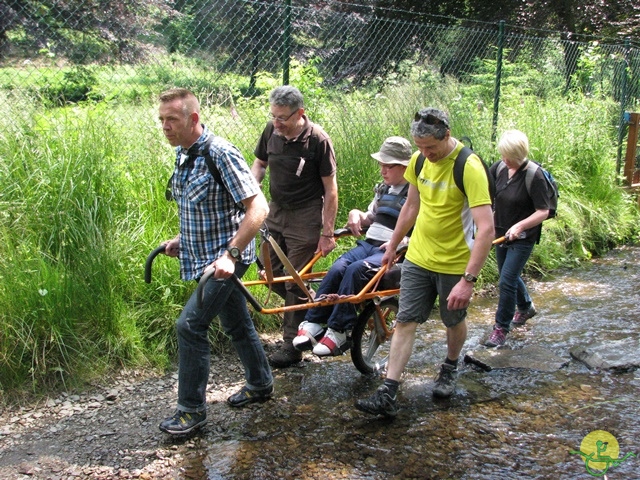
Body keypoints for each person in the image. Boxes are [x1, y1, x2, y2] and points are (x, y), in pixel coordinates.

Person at [355, 108, 495, 417]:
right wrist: (392, 245)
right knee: (405, 320)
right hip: (418, 256)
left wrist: (468, 280)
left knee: (453, 320)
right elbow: (411, 206)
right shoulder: (419, 161)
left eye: (430, 148)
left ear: (447, 135)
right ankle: (388, 392)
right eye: (419, 147)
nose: (425, 154)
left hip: (454, 262)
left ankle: (449, 365)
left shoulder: (468, 167)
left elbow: (486, 228)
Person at [157, 88, 273, 435]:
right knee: (237, 324)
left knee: (189, 326)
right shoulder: (184, 153)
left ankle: (191, 411)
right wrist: (182, 239)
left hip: (225, 260)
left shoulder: (220, 152)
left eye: (172, 120)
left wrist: (231, 254)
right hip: (204, 256)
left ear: (193, 119)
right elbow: (205, 207)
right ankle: (261, 383)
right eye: (162, 120)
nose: (165, 126)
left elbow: (258, 209)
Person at [293, 136, 412, 356]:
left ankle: (340, 330)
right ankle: (314, 321)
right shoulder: (384, 190)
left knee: (357, 270)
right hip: (369, 243)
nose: (383, 170)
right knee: (339, 266)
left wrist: (404, 242)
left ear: (406, 167)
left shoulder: (415, 194)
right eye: (381, 165)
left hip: (392, 250)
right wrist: (357, 214)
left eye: (389, 166)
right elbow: (371, 216)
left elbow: (423, 229)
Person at [252, 85, 338, 368]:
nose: (277, 123)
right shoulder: (270, 132)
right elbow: (260, 165)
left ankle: (292, 345)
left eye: (283, 118)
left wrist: (327, 232)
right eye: (273, 116)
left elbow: (331, 189)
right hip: (275, 212)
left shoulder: (318, 141)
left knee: (296, 279)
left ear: (300, 113)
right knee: (269, 270)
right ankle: (316, 307)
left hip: (305, 216)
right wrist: (253, 195)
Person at [484, 129, 552, 347]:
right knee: (509, 276)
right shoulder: (500, 168)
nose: (505, 160)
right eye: (503, 155)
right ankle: (526, 308)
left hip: (523, 236)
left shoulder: (535, 175)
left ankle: (501, 329)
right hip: (501, 234)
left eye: (510, 157)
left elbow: (544, 211)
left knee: (506, 280)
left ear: (521, 154)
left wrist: (520, 225)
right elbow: (488, 195)